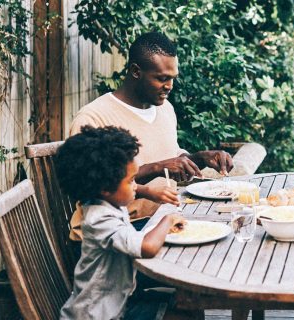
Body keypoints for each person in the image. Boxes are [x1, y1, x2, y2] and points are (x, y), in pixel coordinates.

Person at [69, 31, 233, 218]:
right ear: (136, 71)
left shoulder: (165, 109)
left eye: (172, 78)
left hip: (165, 218)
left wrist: (200, 159)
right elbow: (87, 185)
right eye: (162, 78)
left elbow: (171, 159)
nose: (170, 86)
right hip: (118, 230)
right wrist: (156, 168)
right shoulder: (93, 118)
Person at [56, 125, 189, 319]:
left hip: (116, 304)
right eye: (131, 181)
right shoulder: (100, 220)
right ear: (105, 188)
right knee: (183, 312)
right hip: (97, 315)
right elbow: (147, 248)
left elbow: (131, 237)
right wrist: (167, 220)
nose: (136, 185)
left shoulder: (108, 206)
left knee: (183, 305)